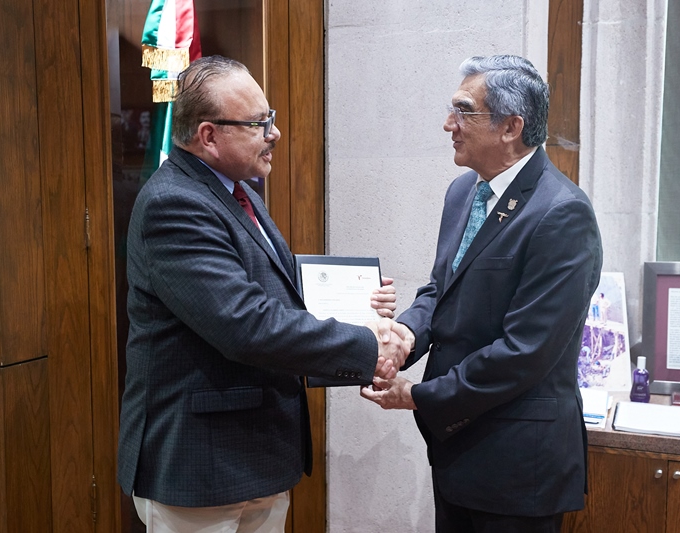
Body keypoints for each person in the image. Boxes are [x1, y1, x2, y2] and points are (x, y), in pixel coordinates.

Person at [117, 55, 411, 533]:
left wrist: (362, 309)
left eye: (269, 118)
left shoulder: (240, 193)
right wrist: (367, 343)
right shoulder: (174, 203)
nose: (274, 132)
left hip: (257, 455)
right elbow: (245, 324)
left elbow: (280, 295)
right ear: (209, 136)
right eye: (258, 123)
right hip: (202, 467)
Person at [361, 55, 603, 532]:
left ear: (511, 127)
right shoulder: (463, 193)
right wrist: (405, 335)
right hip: (456, 450)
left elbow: (525, 351)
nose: (448, 124)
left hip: (518, 465)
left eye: (464, 111)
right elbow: (441, 289)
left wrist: (420, 396)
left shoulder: (562, 213)